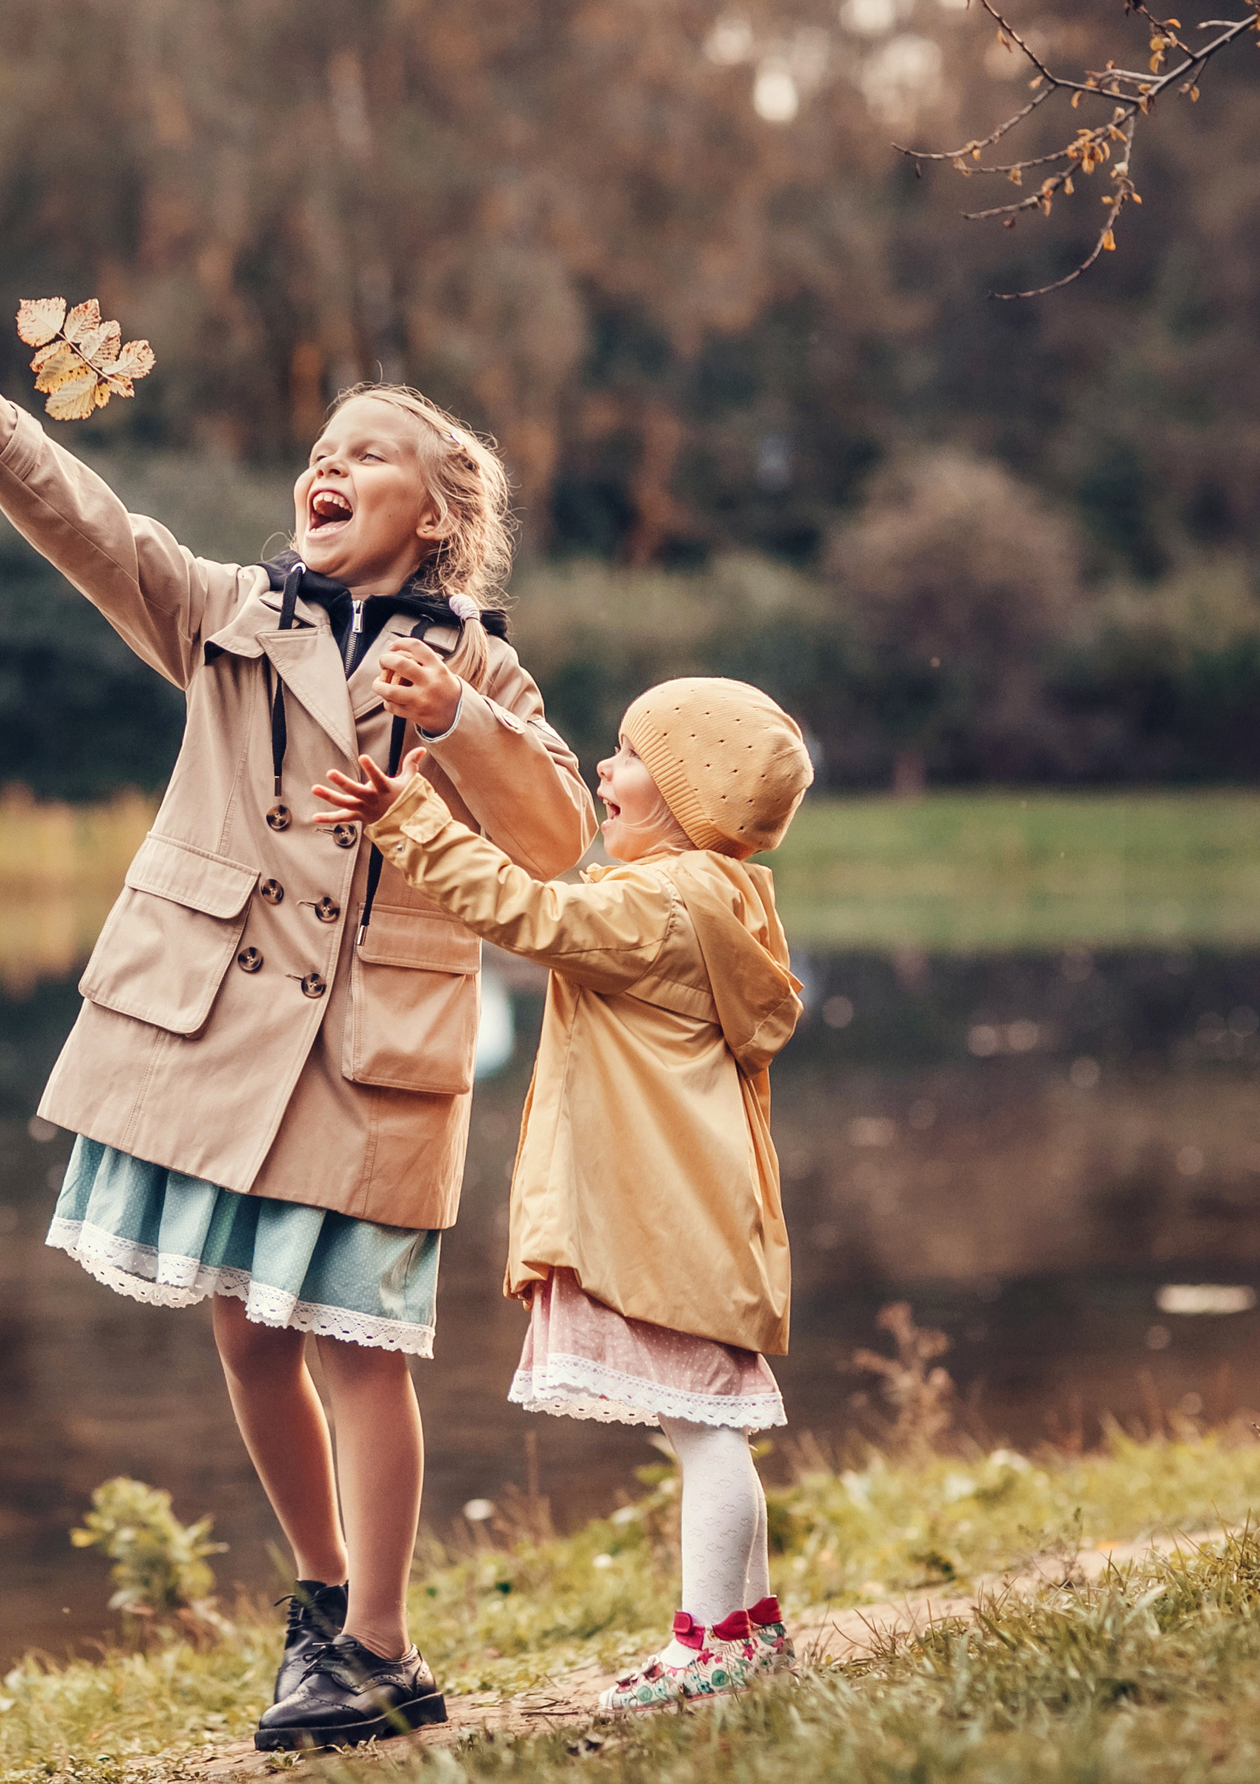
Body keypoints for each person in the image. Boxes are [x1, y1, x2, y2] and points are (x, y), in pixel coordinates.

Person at [0, 297, 594, 1749]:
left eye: (372, 452)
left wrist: (459, 724)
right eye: (326, 445)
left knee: (359, 1347)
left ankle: (380, 1644)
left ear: (434, 521)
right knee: (243, 1336)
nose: (335, 461)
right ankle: (321, 1598)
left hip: (370, 1057)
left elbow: (560, 842)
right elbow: (98, 531)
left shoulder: (476, 666)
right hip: (211, 1033)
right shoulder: (230, 611)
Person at [312, 676, 813, 1714]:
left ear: (687, 796)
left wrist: (408, 817)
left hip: (665, 1216)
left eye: (627, 757)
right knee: (705, 1423)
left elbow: (526, 912)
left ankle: (713, 1639)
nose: (603, 768)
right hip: (694, 1208)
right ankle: (748, 1629)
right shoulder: (723, 894)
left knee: (702, 1428)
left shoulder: (654, 901)